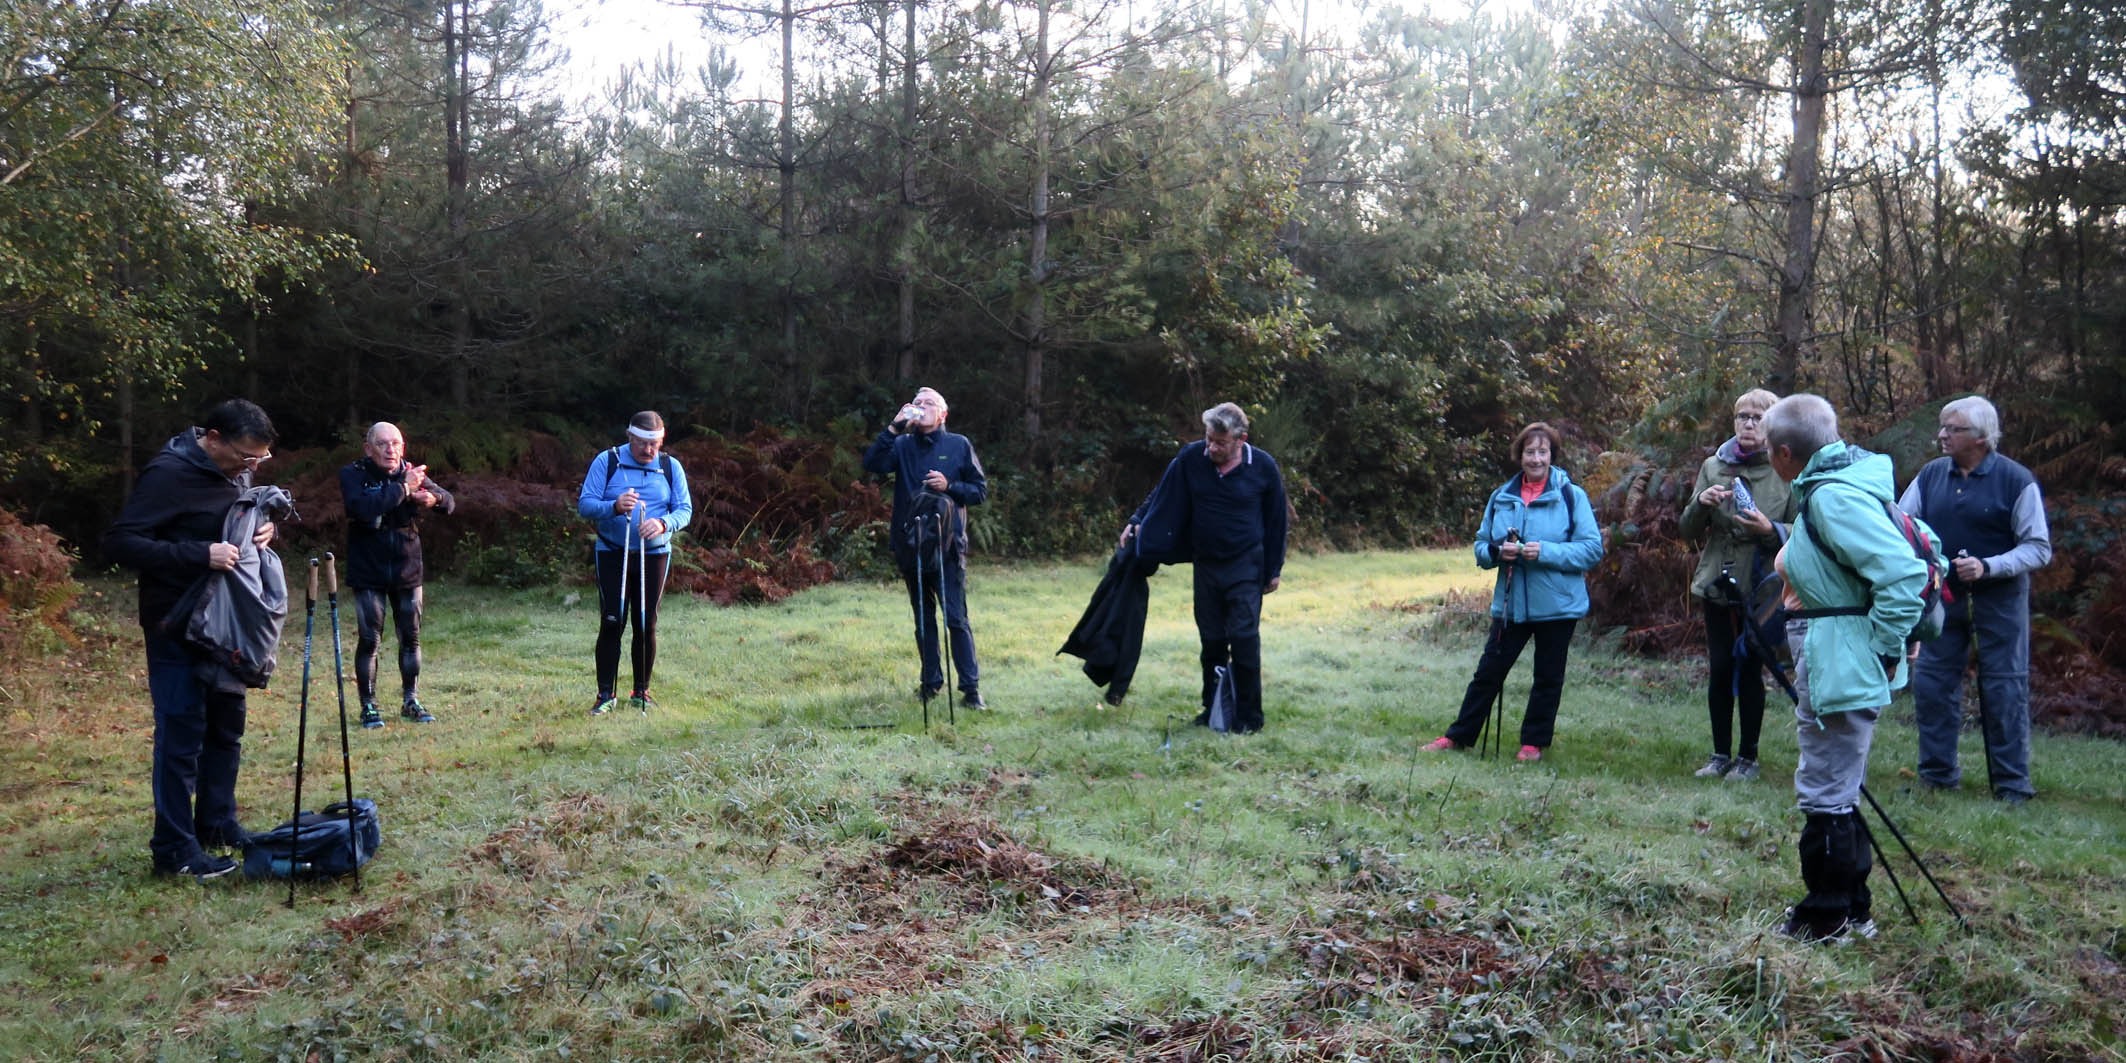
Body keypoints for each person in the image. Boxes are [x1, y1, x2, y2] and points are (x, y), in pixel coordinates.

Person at [1764, 393, 1928, 943]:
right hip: (1835, 649)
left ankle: (1825, 917)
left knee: (1825, 788)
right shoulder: (1836, 487)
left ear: (1784, 454)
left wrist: (1884, 647)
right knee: (1839, 782)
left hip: (1841, 655)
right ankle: (1854, 911)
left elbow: (1902, 575)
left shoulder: (1832, 497)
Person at [101, 399, 281, 882]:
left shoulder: (234, 471)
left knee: (226, 728)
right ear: (213, 439)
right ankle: (174, 850)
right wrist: (199, 554)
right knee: (181, 737)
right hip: (175, 624)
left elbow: (233, 517)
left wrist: (263, 528)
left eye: (259, 460)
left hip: (225, 625)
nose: (250, 467)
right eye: (245, 457)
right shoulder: (168, 474)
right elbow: (120, 542)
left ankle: (217, 824)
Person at [1897, 396, 2052, 804]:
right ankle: (1936, 776)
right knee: (1932, 685)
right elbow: (1903, 526)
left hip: (2000, 602)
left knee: (2004, 689)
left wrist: (1989, 567)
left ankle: (2012, 785)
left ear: (1981, 437)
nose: (1942, 435)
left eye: (1953, 429)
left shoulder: (2017, 480)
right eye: (1943, 427)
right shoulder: (1931, 475)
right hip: (1941, 600)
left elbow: (2038, 548)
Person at [1425, 422, 1603, 761]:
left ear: (1552, 455)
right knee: (1487, 673)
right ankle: (1458, 737)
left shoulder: (1572, 496)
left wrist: (1545, 551)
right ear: (1520, 456)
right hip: (1511, 604)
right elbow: (1481, 546)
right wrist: (1496, 552)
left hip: (1558, 605)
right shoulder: (1501, 497)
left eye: (1543, 452)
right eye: (1530, 451)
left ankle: (1533, 744)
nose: (1536, 458)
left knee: (1547, 678)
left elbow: (1592, 550)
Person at [1120, 402, 1289, 733]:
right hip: (1206, 565)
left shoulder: (1262, 466)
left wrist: (1274, 569)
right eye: (1209, 439)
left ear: (1241, 439)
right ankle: (1212, 710)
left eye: (1220, 443)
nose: (1211, 447)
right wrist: (1138, 519)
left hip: (1246, 565)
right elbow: (1163, 493)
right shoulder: (1191, 458)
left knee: (1243, 637)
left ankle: (1249, 718)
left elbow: (1276, 520)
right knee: (1211, 640)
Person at [1677, 389, 1795, 781]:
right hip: (1717, 581)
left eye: (1757, 418)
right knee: (1721, 667)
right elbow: (1687, 530)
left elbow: (1805, 530)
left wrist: (1771, 529)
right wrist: (1701, 504)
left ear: (1774, 425)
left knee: (1750, 667)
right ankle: (1719, 755)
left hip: (1763, 586)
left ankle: (1748, 757)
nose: (1748, 424)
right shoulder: (1714, 465)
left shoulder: (1787, 467)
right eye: (1742, 416)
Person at [863, 387, 988, 709]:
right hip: (911, 545)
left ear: (942, 414)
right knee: (923, 619)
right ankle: (930, 684)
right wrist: (894, 427)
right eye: (917, 403)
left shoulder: (958, 444)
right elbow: (873, 463)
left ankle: (971, 690)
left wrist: (950, 486)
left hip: (948, 546)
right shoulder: (902, 444)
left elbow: (979, 491)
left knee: (955, 618)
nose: (921, 407)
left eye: (928, 403)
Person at [576, 411, 694, 715]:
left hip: (654, 554)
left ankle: (641, 692)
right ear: (630, 437)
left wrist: (663, 523)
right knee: (612, 620)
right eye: (642, 443)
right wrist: (614, 506)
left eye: (655, 443)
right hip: (613, 551)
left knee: (645, 622)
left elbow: (684, 510)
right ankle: (605, 695)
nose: (649, 450)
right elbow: (585, 505)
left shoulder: (670, 467)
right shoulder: (608, 461)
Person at [340, 422, 455, 729]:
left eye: (396, 444)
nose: (390, 450)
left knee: (411, 637)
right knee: (369, 639)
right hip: (368, 567)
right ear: (368, 449)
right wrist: (404, 488)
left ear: (403, 447)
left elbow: (449, 501)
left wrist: (434, 499)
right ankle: (368, 706)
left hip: (407, 566)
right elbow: (363, 508)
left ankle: (411, 701)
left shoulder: (411, 472)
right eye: (382, 444)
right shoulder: (353, 474)